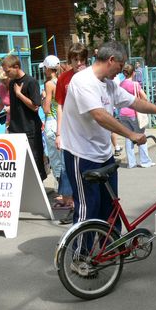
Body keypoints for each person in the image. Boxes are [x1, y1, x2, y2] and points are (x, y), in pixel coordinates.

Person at [61, 41, 156, 273]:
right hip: (81, 154)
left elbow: (134, 101)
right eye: (120, 67)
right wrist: (131, 134)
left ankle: (111, 249)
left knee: (111, 206)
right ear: (111, 60)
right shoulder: (82, 81)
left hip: (104, 154)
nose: (120, 72)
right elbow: (99, 115)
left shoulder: (110, 85)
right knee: (88, 207)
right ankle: (80, 259)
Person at [54, 43, 89, 220]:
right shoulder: (64, 79)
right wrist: (59, 133)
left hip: (89, 131)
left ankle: (89, 208)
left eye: (82, 59)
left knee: (88, 171)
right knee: (70, 171)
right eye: (75, 60)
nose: (79, 63)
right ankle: (75, 206)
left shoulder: (92, 76)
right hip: (70, 131)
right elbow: (59, 106)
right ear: (70, 61)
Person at [1, 54, 46, 181]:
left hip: (30, 129)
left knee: (35, 160)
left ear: (16, 67)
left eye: (8, 71)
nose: (6, 74)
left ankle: (39, 187)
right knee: (20, 163)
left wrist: (19, 94)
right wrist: (10, 126)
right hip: (16, 129)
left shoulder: (31, 82)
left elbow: (35, 107)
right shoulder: (12, 83)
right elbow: (15, 107)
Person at [39, 55, 68, 211]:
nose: (43, 70)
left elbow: (46, 108)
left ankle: (63, 195)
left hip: (51, 123)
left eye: (44, 68)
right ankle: (67, 194)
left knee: (56, 162)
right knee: (63, 160)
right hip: (61, 123)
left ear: (48, 69)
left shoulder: (49, 84)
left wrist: (43, 97)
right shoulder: (61, 81)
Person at [119, 63, 154, 168]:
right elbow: (145, 97)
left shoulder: (121, 84)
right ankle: (145, 161)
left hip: (123, 113)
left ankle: (131, 163)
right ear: (133, 73)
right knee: (141, 136)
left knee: (128, 137)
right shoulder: (135, 84)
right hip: (134, 113)